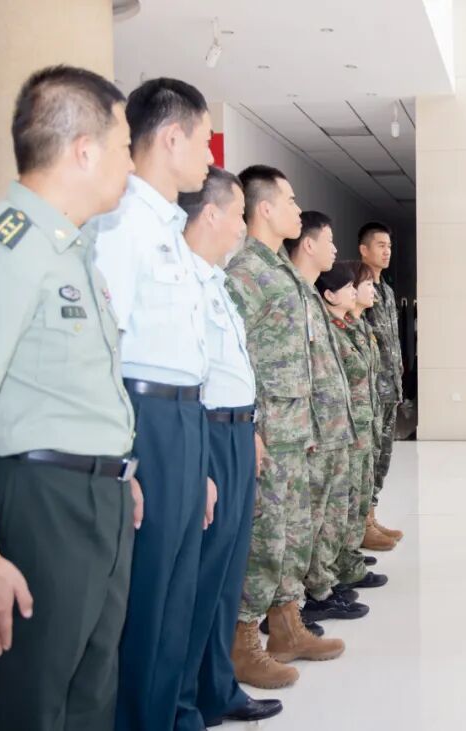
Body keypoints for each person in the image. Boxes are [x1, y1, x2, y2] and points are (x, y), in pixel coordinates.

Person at [0, 65, 137, 731]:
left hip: (96, 501)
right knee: (27, 703)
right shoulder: (2, 247)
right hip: (38, 503)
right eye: (124, 146)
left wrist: (115, 472)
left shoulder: (73, 253)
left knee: (87, 699)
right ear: (84, 150)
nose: (131, 164)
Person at [89, 77, 215, 731]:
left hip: (187, 420)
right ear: (171, 138)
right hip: (148, 420)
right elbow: (102, 347)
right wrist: (126, 459)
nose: (210, 156)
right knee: (146, 598)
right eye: (204, 139)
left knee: (178, 593)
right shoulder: (122, 225)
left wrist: (202, 465)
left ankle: (169, 716)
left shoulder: (168, 228)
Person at [226, 167, 344, 688]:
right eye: (291, 201)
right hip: (269, 431)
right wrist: (249, 426)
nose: (299, 209)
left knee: (292, 533)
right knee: (266, 537)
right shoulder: (246, 271)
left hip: (295, 430)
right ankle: (242, 643)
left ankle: (287, 626)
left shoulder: (281, 270)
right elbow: (231, 354)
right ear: (266, 209)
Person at [174, 167, 283, 728]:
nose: (242, 227)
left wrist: (254, 429)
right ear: (211, 213)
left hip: (238, 431)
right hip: (209, 432)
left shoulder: (215, 282)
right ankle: (186, 696)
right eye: (238, 214)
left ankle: (217, 688)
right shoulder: (183, 281)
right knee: (203, 574)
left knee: (226, 575)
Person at [281, 212, 372, 626]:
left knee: (327, 513)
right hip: (308, 430)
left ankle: (321, 586)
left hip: (332, 428)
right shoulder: (291, 293)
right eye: (329, 240)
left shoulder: (310, 300)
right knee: (307, 520)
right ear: (308, 244)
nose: (336, 249)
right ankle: (303, 599)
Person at [317, 262, 395, 589]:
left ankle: (347, 558)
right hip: (345, 429)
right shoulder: (332, 331)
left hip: (363, 424)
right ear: (330, 295)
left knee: (358, 495)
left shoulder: (353, 327)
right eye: (349, 287)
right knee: (342, 502)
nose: (356, 292)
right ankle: (333, 571)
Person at [359, 222, 404, 546]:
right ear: (364, 250)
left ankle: (372, 517)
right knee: (370, 455)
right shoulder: (358, 288)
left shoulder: (386, 290)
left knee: (383, 456)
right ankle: (363, 525)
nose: (386, 251)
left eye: (389, 246)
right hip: (371, 390)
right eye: (380, 245)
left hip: (390, 388)